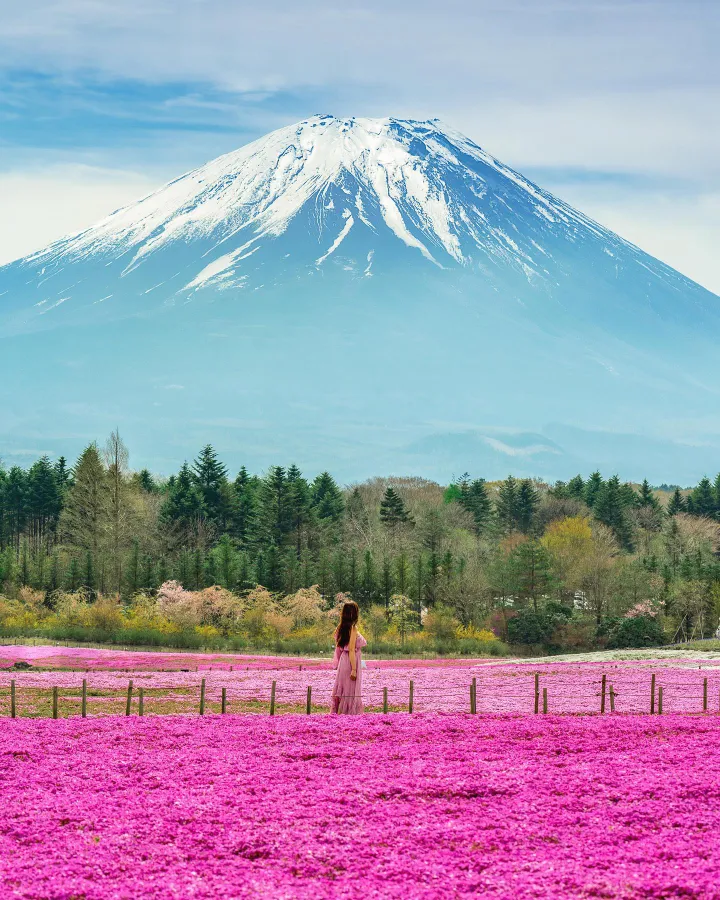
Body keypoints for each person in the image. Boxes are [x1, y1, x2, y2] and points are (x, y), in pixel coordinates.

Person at [331, 600, 367, 714]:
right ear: (354, 613)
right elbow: (351, 649)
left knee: (344, 689)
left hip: (343, 661)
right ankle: (349, 714)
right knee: (350, 690)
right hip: (351, 662)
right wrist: (354, 669)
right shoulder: (352, 628)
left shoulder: (339, 628)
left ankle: (341, 713)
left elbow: (338, 648)